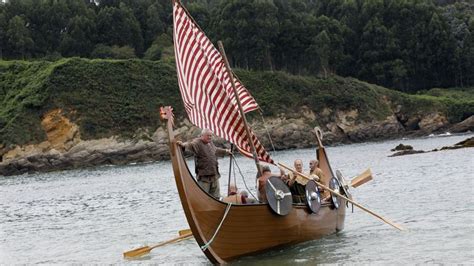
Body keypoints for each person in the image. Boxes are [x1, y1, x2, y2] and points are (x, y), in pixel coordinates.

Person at [177, 128, 231, 199]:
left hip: (214, 176)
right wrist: (183, 145)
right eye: (208, 135)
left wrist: (226, 151)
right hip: (204, 178)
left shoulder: (210, 143)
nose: (210, 137)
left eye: (211, 136)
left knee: (216, 197)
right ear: (202, 136)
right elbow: (190, 145)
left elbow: (216, 150)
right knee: (204, 197)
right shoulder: (197, 142)